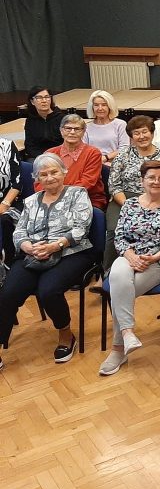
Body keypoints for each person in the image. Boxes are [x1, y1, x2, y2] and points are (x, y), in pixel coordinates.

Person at [0, 153, 94, 368]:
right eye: (44, 174)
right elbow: (19, 231)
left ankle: (66, 335)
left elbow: (81, 229)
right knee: (8, 293)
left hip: (71, 252)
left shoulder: (78, 194)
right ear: (37, 179)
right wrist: (27, 246)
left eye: (54, 172)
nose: (50, 178)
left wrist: (54, 246)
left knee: (48, 291)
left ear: (64, 172)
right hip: (33, 254)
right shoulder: (31, 201)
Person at [99, 160, 160, 376]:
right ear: (142, 180)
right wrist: (130, 256)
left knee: (120, 290)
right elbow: (119, 237)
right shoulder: (130, 204)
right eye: (151, 177)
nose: (156, 181)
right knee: (119, 276)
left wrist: (154, 257)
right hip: (130, 255)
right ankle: (127, 334)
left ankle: (117, 349)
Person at [104, 115, 160, 271]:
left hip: (156, 199)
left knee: (148, 230)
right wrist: (130, 205)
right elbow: (114, 185)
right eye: (136, 133)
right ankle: (107, 272)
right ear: (131, 137)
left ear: (152, 133)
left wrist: (145, 205)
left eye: (144, 132)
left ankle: (145, 264)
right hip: (123, 199)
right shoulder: (123, 155)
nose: (141, 136)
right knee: (115, 230)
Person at [41, 113, 106, 209]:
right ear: (61, 131)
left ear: (83, 132)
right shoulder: (49, 153)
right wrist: (51, 197)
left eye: (77, 129)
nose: (72, 132)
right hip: (51, 199)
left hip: (85, 199)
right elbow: (39, 181)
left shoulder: (93, 153)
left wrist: (60, 196)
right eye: (68, 128)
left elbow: (87, 182)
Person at [83, 90, 128, 165]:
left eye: (104, 105)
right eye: (96, 105)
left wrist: (106, 158)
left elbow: (125, 148)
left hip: (116, 163)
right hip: (93, 163)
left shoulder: (120, 124)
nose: (100, 108)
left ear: (110, 106)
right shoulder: (86, 127)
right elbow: (84, 149)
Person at [23, 85, 63, 161]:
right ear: (32, 101)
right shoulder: (30, 121)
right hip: (39, 158)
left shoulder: (62, 119)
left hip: (59, 156)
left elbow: (67, 144)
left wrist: (52, 157)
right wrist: (43, 157)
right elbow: (30, 146)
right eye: (39, 98)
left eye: (47, 97)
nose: (44, 100)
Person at [0, 136, 22, 262]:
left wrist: (5, 203)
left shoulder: (7, 145)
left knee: (5, 219)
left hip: (8, 199)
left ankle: (8, 259)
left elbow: (17, 182)